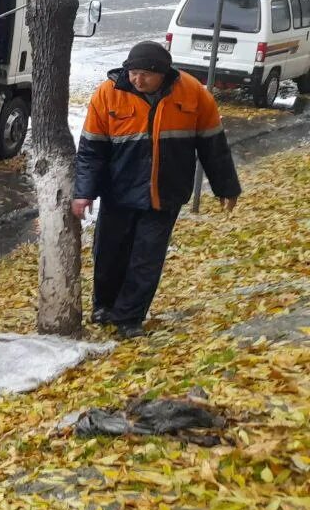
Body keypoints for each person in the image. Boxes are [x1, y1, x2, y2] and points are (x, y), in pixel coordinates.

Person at [73, 40, 240, 339]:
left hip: (166, 192)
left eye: (146, 74)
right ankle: (104, 306)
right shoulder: (108, 94)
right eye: (134, 73)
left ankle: (129, 317)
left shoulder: (192, 93)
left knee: (146, 258)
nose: (138, 80)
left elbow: (213, 145)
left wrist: (226, 186)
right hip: (118, 192)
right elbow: (91, 150)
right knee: (109, 252)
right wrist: (83, 191)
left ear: (165, 73)